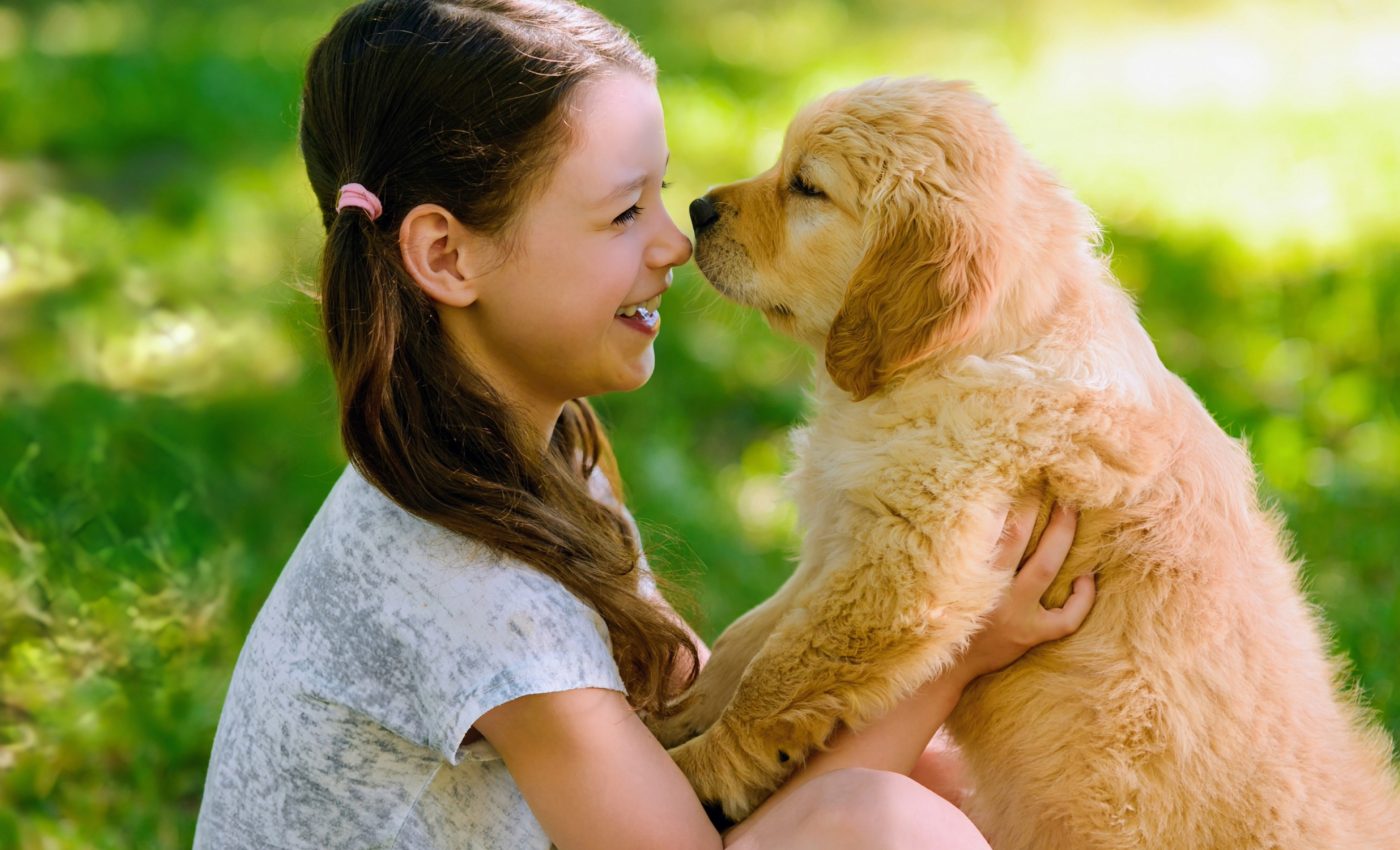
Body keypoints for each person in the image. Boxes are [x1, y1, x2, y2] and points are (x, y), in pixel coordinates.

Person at [191, 1, 1097, 848]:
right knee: (883, 822)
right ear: (447, 255)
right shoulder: (472, 591)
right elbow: (718, 833)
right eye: (625, 212)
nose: (674, 242)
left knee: (943, 778)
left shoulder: (528, 452)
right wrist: (954, 657)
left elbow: (693, 714)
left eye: (658, 194)